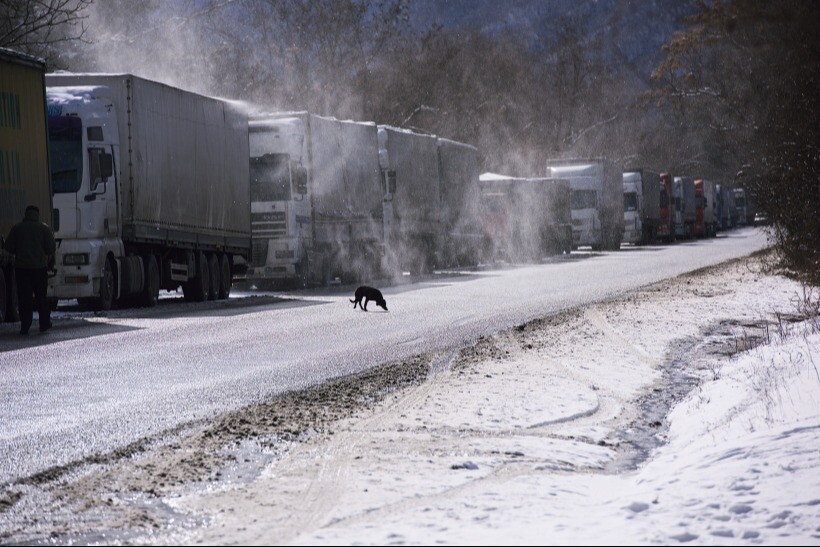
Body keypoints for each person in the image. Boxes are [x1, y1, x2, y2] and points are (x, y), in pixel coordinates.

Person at [4, 205, 57, 335]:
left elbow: (8, 247)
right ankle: (44, 323)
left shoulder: (17, 228)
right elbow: (51, 248)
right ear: (37, 215)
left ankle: (25, 326)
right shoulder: (43, 228)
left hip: (22, 269)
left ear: (26, 214)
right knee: (41, 298)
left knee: (24, 299)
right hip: (39, 269)